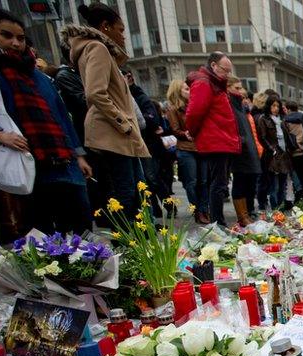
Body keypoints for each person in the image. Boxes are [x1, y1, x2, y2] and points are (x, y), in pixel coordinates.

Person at [0, 8, 93, 256]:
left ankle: (84, 277)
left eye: (20, 37)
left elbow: (60, 117)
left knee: (80, 225)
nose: (15, 43)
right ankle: (51, 281)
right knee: (40, 231)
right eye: (6, 35)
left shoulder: (38, 76)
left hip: (61, 159)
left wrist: (78, 154)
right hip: (26, 160)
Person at [61, 2, 148, 218]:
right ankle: (129, 242)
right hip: (114, 132)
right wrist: (123, 123)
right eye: (121, 30)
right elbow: (94, 93)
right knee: (126, 191)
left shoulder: (95, 50)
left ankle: (139, 239)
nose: (123, 36)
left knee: (137, 189)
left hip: (119, 132)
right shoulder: (96, 48)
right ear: (105, 26)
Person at [185, 51, 240, 226]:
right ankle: (218, 223)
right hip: (215, 140)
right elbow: (194, 112)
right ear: (214, 66)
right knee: (218, 184)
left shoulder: (214, 83)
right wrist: (192, 132)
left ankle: (218, 221)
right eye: (226, 70)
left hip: (220, 139)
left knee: (219, 183)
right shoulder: (204, 83)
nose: (228, 74)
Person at [123, 70, 169, 215]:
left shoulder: (140, 97)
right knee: (144, 182)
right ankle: (154, 211)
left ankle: (168, 205)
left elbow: (151, 119)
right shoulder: (122, 96)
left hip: (147, 144)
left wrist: (129, 121)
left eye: (128, 76)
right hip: (132, 143)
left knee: (152, 178)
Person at [165, 80, 208, 223]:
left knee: (203, 180)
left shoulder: (194, 106)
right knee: (192, 182)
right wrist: (186, 134)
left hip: (200, 147)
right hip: (185, 148)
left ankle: (204, 209)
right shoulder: (173, 109)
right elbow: (175, 129)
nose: (189, 91)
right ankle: (197, 211)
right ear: (178, 91)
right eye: (186, 89)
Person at [225, 77, 259, 225]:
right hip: (240, 150)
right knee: (240, 182)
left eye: (241, 88)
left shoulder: (240, 106)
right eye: (237, 88)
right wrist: (241, 141)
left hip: (248, 148)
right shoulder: (228, 105)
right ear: (227, 88)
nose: (241, 91)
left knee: (250, 182)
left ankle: (248, 212)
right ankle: (242, 215)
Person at [255, 95, 294, 210]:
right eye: (273, 105)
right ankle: (275, 209)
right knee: (274, 186)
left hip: (284, 155)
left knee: (283, 185)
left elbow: (286, 137)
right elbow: (262, 137)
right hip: (273, 156)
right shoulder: (264, 119)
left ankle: (280, 210)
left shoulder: (282, 120)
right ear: (269, 106)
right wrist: (271, 150)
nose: (276, 108)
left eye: (278, 106)